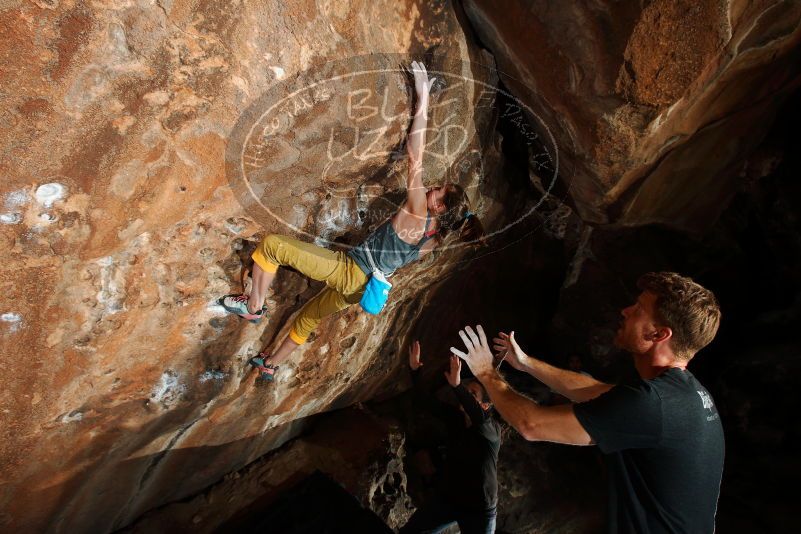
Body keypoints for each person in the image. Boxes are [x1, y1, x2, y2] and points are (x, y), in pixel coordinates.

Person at [219, 61, 484, 381]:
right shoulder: (433, 240)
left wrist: (423, 96)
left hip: (350, 272)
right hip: (362, 288)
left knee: (273, 247)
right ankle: (271, 363)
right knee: (310, 316)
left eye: (437, 190)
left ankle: (254, 306)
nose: (431, 187)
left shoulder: (418, 210)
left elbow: (416, 152)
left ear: (439, 207)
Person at [449, 272, 725, 534]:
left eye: (639, 309)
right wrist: (526, 364)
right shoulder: (686, 394)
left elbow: (531, 424)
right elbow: (595, 391)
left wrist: (486, 373)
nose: (625, 311)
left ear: (659, 335)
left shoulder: (652, 404)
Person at [399, 340, 501, 534]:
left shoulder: (491, 431)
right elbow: (425, 401)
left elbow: (478, 418)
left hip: (479, 508)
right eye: (467, 391)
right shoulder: (455, 418)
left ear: (485, 405)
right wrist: (414, 370)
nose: (467, 396)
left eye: (473, 394)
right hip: (449, 498)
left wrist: (457, 386)